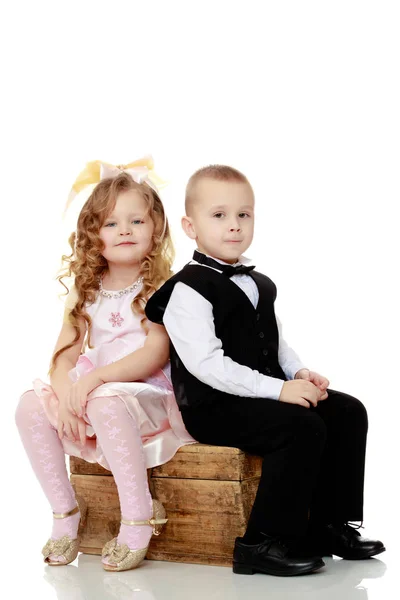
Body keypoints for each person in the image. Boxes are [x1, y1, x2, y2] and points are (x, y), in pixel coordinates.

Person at [144, 164, 385, 577]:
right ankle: (262, 542)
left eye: (244, 214)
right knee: (299, 426)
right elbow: (207, 365)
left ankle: (327, 524)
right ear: (190, 225)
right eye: (218, 215)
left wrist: (298, 374)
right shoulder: (188, 289)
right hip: (213, 405)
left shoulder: (261, 283)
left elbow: (275, 342)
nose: (234, 226)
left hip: (260, 392)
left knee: (347, 411)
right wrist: (277, 391)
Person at [15, 158, 194, 572]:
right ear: (93, 236)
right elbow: (63, 354)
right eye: (111, 224)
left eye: (136, 221)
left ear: (157, 230)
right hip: (97, 391)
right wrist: (63, 398)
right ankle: (65, 514)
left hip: (145, 392)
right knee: (29, 404)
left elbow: (156, 352)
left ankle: (137, 517)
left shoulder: (161, 287)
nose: (125, 230)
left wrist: (95, 379)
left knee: (104, 401)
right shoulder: (86, 289)